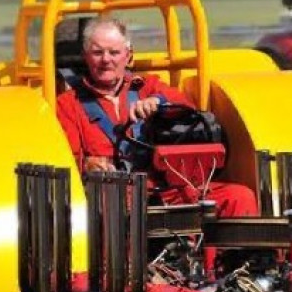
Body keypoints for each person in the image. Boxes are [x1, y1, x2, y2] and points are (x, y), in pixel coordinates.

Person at [55, 16, 258, 217]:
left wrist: (159, 103)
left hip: (167, 189)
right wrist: (88, 165)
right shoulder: (68, 104)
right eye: (98, 52)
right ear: (86, 56)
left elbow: (190, 114)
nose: (106, 59)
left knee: (239, 197)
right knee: (115, 214)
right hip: (112, 196)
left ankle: (242, 251)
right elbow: (67, 161)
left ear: (128, 55)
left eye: (114, 52)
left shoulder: (149, 87)